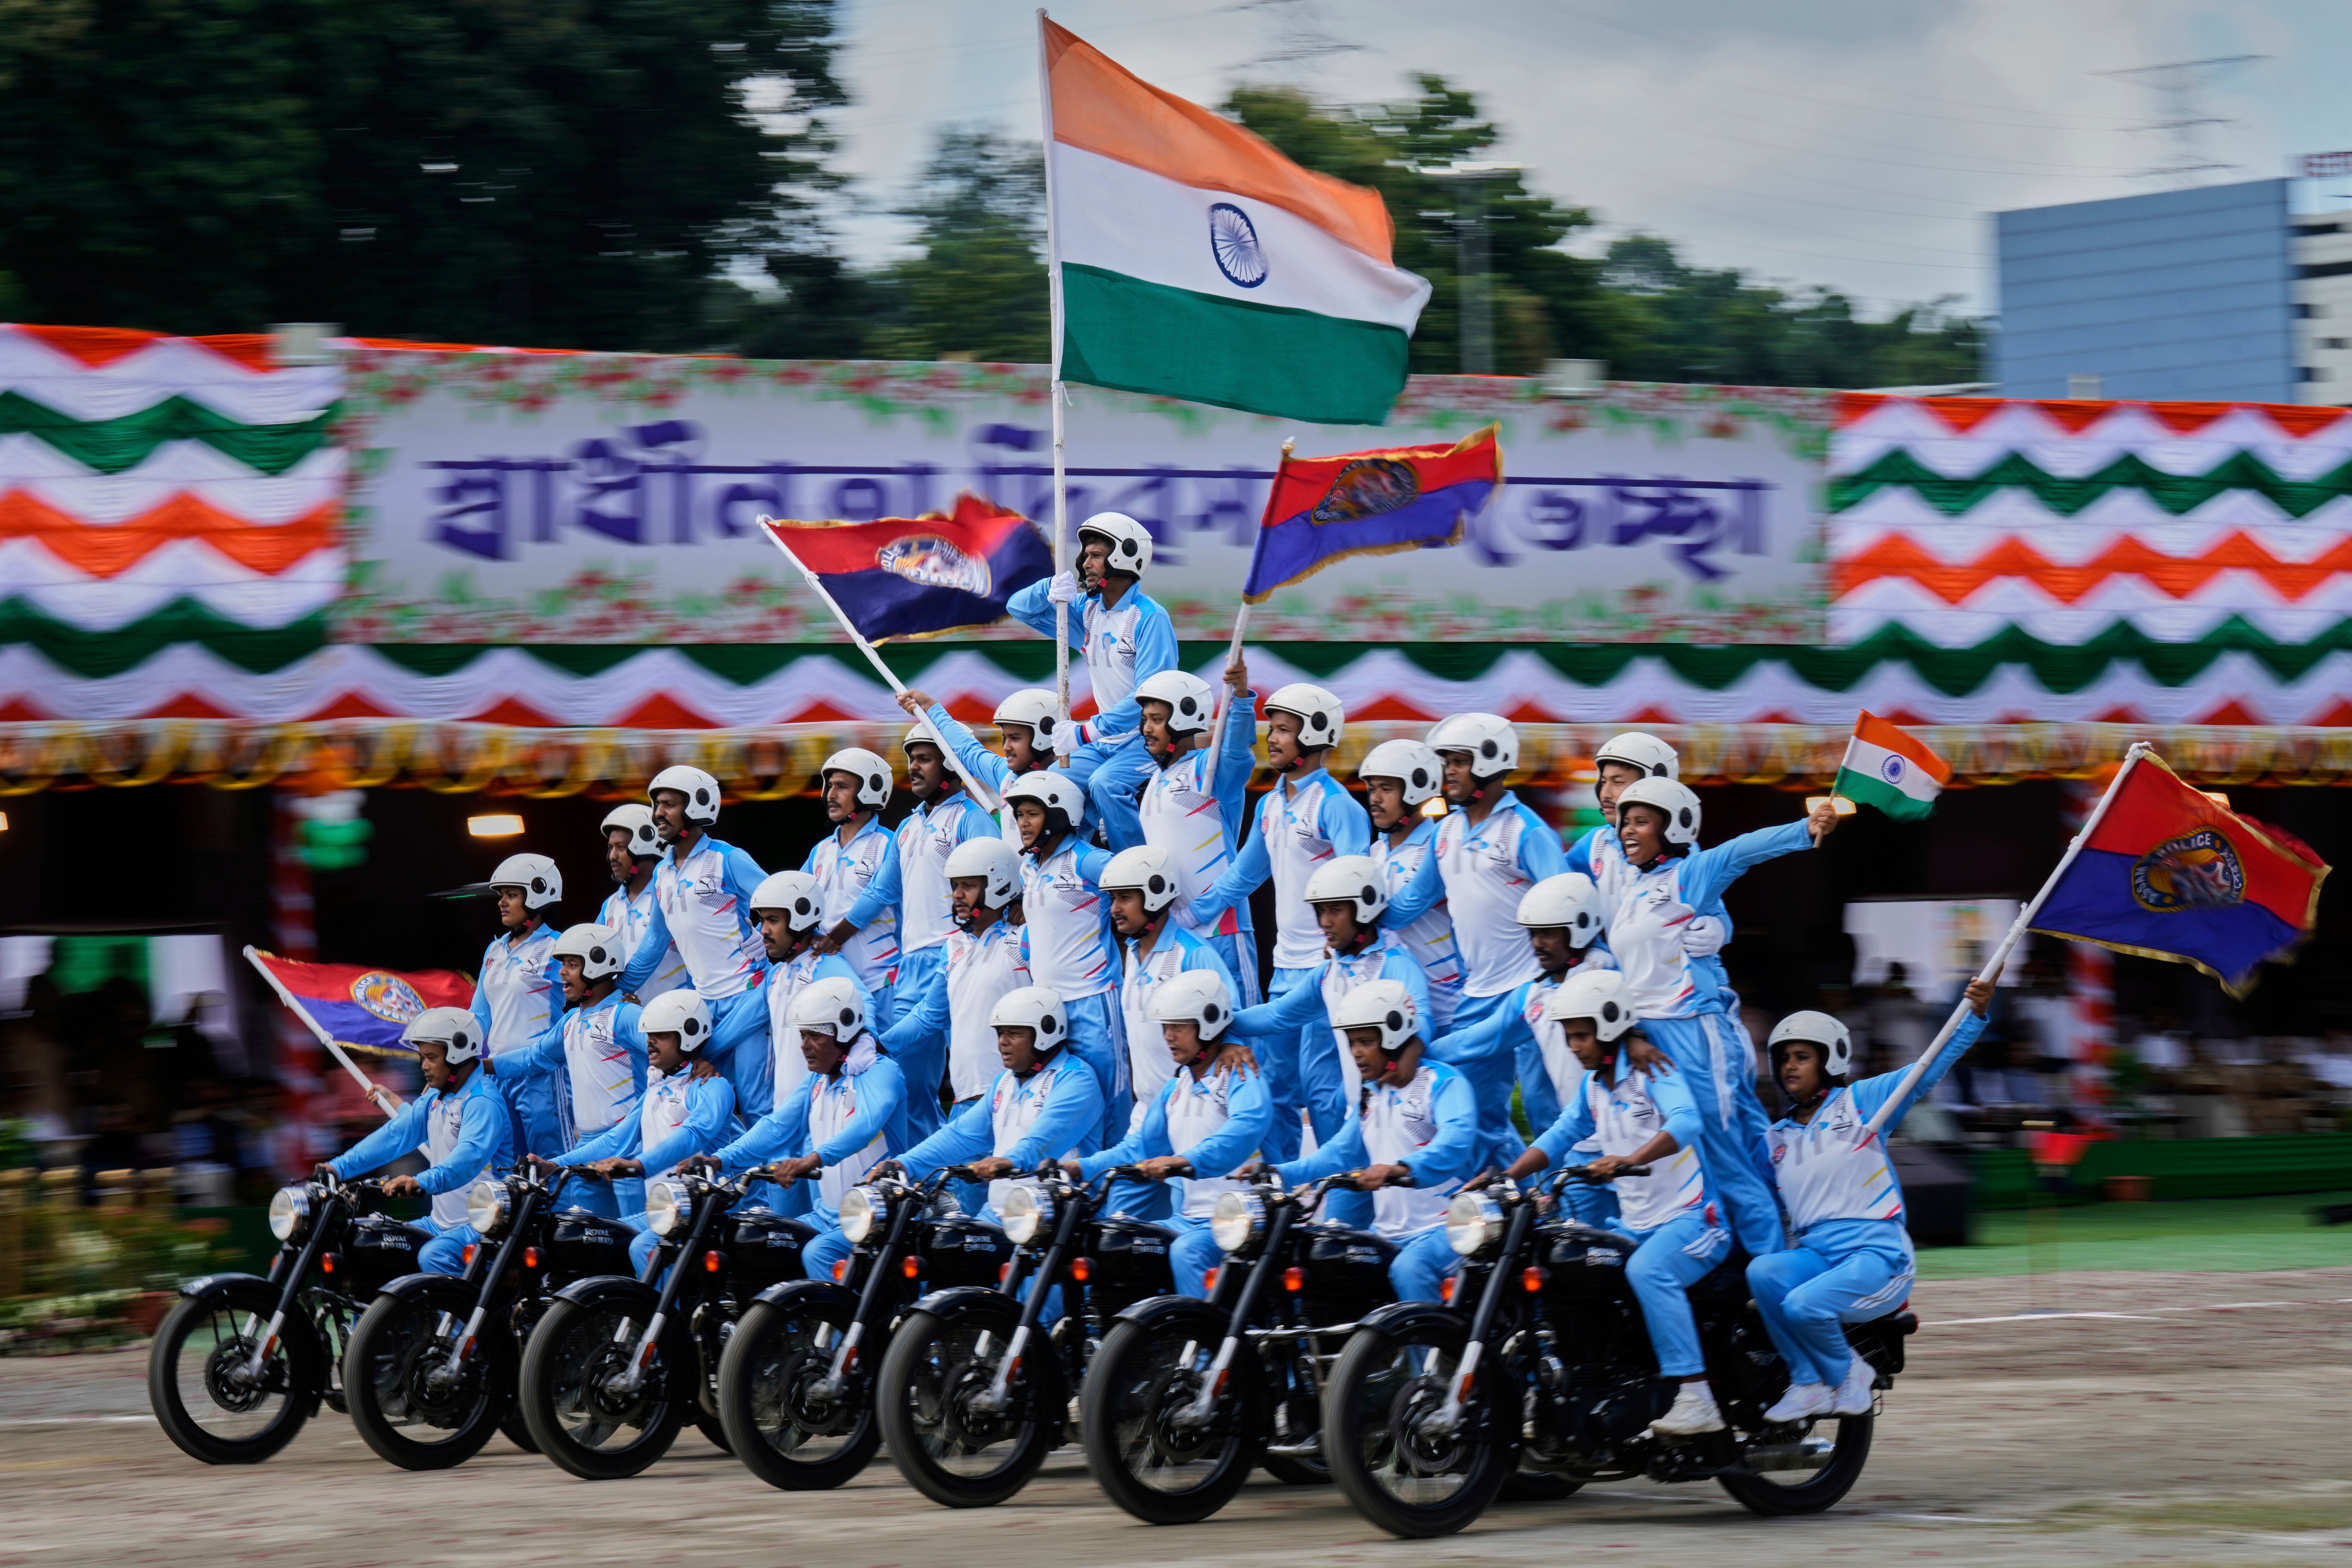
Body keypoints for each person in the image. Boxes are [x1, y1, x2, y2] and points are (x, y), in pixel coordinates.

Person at [1608, 777, 1841, 1259]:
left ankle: (1770, 1265)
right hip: (1649, 1038)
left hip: (1695, 1032)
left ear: (1671, 828)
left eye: (1641, 821)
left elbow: (1739, 851)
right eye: (1624, 821)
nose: (1626, 830)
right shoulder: (1632, 887)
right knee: (1703, 1151)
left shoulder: (1686, 875)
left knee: (1723, 1151)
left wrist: (1804, 828)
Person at [1749, 978, 1996, 1424]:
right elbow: (1747, 1194)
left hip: (1876, 1256)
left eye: (1802, 1057)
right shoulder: (1773, 1139)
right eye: (1783, 1058)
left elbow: (1927, 1068)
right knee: (1762, 1272)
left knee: (1802, 1306)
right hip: (1816, 1254)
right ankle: (1807, 1383)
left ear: (1830, 1060)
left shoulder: (1860, 1103)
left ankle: (1851, 1375)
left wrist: (1973, 1016)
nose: (1790, 1066)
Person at [1505, 968, 1731, 1439]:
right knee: (1580, 1269)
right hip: (1636, 1225)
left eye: (1581, 1036)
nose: (1573, 1047)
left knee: (1648, 1271)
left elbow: (1687, 1122)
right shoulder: (1593, 1087)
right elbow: (1559, 1135)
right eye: (1568, 1036)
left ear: (1610, 1028)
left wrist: (1631, 1158)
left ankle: (1696, 1394)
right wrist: (1503, 1178)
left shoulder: (1652, 1070)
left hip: (1694, 1221)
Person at [1188, 682, 1367, 1161]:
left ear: (1315, 734)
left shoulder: (1337, 805)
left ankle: (1335, 1196)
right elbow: (1241, 876)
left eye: (1284, 730)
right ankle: (1284, 1191)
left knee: (1324, 1089)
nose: (1272, 739)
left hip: (1327, 973)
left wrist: (1346, 953)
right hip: (1283, 969)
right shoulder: (1268, 804)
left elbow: (1360, 882)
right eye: (1273, 729)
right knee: (1276, 1088)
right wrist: (1186, 915)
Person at [1269, 979, 1481, 1303]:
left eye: (1365, 1042)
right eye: (1352, 1042)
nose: (1355, 1053)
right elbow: (1339, 1153)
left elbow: (1453, 1144)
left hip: (1450, 1228)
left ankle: (1434, 1351)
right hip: (1387, 1236)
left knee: (1410, 1269)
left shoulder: (1442, 1082)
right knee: (1323, 1259)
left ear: (1394, 1037)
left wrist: (1398, 1169)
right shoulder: (1371, 1095)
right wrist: (1278, 1174)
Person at [1073, 969, 1271, 1296]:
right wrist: (1079, 1167)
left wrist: (1181, 1161)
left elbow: (1240, 1134)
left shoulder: (1241, 1078)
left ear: (1208, 1025)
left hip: (1241, 1220)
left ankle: (1205, 1344)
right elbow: (1136, 1150)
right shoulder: (1173, 1089)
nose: (1168, 1036)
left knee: (1187, 1251)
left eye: (1178, 1026)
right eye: (1166, 1027)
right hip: (1187, 1220)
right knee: (1116, 1240)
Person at [707, 977, 910, 1285]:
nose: (804, 1045)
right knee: (761, 1240)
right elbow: (776, 1128)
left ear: (843, 1032)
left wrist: (812, 1160)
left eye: (814, 1035)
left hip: (875, 1217)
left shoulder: (882, 1071)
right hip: (825, 1216)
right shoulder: (817, 1081)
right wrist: (720, 1159)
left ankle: (840, 1331)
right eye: (802, 1036)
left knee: (817, 1252)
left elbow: (865, 1125)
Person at [1226, 854, 1431, 1156]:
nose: (1324, 923)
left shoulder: (1395, 963)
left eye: (1335, 910)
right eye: (1320, 912)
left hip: (1404, 1128)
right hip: (1360, 1125)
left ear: (1366, 906)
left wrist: (1413, 1048)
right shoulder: (1328, 972)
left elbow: (1423, 1017)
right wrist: (1213, 1023)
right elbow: (1275, 1016)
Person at [1385, 714, 1568, 1044]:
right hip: (1474, 993)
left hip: (1532, 987)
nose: (1448, 772)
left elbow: (1567, 903)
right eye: (1446, 763)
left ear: (1489, 763)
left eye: (1459, 762)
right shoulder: (1444, 831)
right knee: (1473, 1094)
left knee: (1545, 1096)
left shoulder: (1527, 830)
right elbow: (1412, 900)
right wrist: (1358, 919)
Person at [531, 988, 736, 1277]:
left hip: (700, 1213)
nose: (650, 1041)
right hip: (664, 1214)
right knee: (594, 1236)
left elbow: (694, 1135)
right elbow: (616, 1140)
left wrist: (639, 1165)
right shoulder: (656, 1089)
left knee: (642, 1247)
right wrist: (555, 1165)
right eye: (649, 1034)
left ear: (689, 1035)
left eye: (661, 1034)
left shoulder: (713, 1087)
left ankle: (663, 1321)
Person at [1425, 872, 1615, 1177]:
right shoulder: (1532, 996)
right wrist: (1411, 1052)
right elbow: (1472, 1040)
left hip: (1630, 1143)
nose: (1536, 944)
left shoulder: (1609, 975)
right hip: (1577, 1145)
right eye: (1532, 934)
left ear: (1579, 927)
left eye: (1548, 933)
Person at [1005, 512, 1178, 838]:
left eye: (1096, 556)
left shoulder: (1150, 617)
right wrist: (1047, 589)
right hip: (1104, 743)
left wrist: (1087, 732)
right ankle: (1080, 864)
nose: (1085, 563)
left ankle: (1133, 872)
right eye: (1085, 555)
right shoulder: (1086, 609)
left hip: (1149, 741)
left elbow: (1153, 696)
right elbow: (1018, 608)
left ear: (1125, 556)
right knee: (1047, 786)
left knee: (1105, 784)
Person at [617, 765, 774, 1116]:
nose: (658, 813)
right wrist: (613, 987)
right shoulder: (661, 872)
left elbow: (781, 900)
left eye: (669, 803)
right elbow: (655, 944)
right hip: (704, 1008)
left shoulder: (728, 858)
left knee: (755, 1104)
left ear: (698, 806)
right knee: (706, 1102)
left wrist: (768, 936)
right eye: (656, 804)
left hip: (749, 995)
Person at [887, 986, 1108, 1225]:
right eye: (1000, 1033)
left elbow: (1044, 1140)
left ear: (1046, 1032)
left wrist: (1011, 1161)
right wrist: (905, 1163)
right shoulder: (1005, 1082)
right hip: (999, 1214)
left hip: (1054, 1218)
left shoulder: (1076, 1079)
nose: (1003, 1043)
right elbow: (960, 1135)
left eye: (1014, 1034)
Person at [1101, 844, 1240, 1218]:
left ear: (1156, 894)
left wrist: (1233, 1044)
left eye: (1125, 898)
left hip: (1192, 1119)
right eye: (1113, 898)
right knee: (1120, 1228)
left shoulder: (1193, 954)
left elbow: (1232, 1013)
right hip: (1145, 1114)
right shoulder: (1131, 952)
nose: (1114, 908)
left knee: (1186, 1229)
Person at [325, 1007, 514, 1275]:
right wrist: (338, 1168)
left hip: (484, 1226)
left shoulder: (482, 1102)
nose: (424, 1065)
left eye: (431, 1058)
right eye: (422, 1057)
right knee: (372, 1242)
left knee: (434, 1256)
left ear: (457, 1055)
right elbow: (396, 1136)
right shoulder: (436, 1096)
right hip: (438, 1224)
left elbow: (466, 1162)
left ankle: (463, 1317)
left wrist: (419, 1182)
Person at [1118, 663, 1261, 996]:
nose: (1146, 729)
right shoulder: (1153, 781)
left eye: (1156, 719)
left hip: (1221, 930)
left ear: (1183, 718)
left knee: (1240, 1039)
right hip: (1174, 934)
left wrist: (1240, 699)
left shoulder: (1207, 770)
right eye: (1145, 720)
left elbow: (1238, 754)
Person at [852, 722, 993, 1052]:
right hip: (911, 961)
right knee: (907, 1078)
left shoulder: (973, 818)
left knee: (972, 1067)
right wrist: (831, 936)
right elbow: (881, 891)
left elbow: (995, 886)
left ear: (951, 765)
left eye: (924, 759)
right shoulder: (907, 826)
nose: (913, 767)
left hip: (959, 955)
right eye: (912, 758)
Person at [1003, 770, 1126, 1143]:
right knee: (1068, 1110)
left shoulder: (1088, 861)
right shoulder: (1029, 867)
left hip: (1093, 1000)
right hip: (1046, 1008)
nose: (1022, 823)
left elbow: (1135, 882)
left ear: (1058, 815)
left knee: (1110, 1103)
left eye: (1031, 814)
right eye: (1019, 814)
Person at [881, 838, 1032, 1143]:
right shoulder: (953, 948)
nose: (957, 895)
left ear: (1000, 886)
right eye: (955, 885)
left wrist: (1028, 906)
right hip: (965, 1101)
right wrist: (876, 1047)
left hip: (1017, 1094)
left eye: (968, 886)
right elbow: (927, 1015)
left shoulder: (1027, 937)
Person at [496, 923, 648, 1218]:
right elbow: (532, 1058)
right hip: (587, 1146)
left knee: (635, 1240)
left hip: (629, 1145)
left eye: (572, 964)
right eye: (563, 964)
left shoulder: (627, 1014)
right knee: (588, 1242)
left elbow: (674, 1050)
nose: (562, 972)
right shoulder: (570, 1022)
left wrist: (700, 1063)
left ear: (600, 965)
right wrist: (477, 1066)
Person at [745, 870, 862, 1154]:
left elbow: (862, 1004)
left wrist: (868, 1040)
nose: (764, 930)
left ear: (800, 920)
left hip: (818, 1119)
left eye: (773, 920)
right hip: (782, 1123)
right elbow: (736, 1026)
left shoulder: (823, 966)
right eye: (762, 920)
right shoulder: (776, 976)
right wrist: (696, 1054)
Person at [1358, 738, 1462, 1035]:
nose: (1374, 798)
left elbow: (1396, 914)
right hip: (1391, 1014)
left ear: (1417, 790)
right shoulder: (1373, 853)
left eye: (1386, 789)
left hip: (1449, 1012)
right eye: (1372, 788)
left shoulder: (1440, 847)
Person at [898, 687, 1081, 853]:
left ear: (1046, 732)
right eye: (1005, 738)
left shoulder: (1069, 777)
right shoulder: (1005, 774)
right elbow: (967, 749)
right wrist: (931, 708)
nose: (1007, 747)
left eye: (1015, 738)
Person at [470, 852, 566, 1157]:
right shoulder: (494, 950)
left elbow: (577, 1011)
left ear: (538, 895)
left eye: (511, 895)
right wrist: (453, 1057)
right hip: (496, 1073)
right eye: (501, 895)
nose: (501, 902)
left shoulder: (558, 947)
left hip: (541, 1076)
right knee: (509, 1171)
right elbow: (478, 1017)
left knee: (547, 1167)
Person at [596, 804, 687, 1001]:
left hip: (674, 1020)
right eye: (611, 848)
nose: (612, 856)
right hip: (621, 1022)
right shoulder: (610, 905)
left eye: (621, 848)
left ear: (647, 846)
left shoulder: (675, 896)